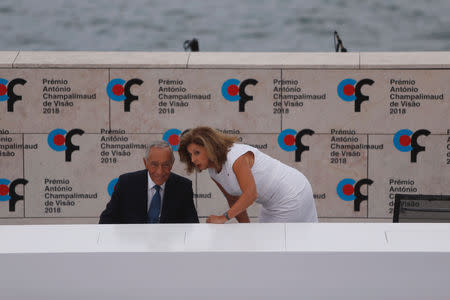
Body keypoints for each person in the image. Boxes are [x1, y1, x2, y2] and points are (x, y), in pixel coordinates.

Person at [178, 126, 318, 223]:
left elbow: (250, 194)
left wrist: (223, 218)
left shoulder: (235, 157)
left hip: (292, 192)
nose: (193, 159)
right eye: (190, 155)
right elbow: (233, 200)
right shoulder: (213, 172)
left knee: (275, 247)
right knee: (263, 244)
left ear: (210, 147)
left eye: (197, 152)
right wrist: (246, 232)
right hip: (270, 203)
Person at [99, 141, 199, 224]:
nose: (160, 171)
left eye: (165, 165)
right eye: (154, 165)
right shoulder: (126, 183)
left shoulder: (183, 187)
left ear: (172, 164)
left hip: (168, 245)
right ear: (145, 163)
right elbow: (106, 220)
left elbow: (192, 225)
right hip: (132, 244)